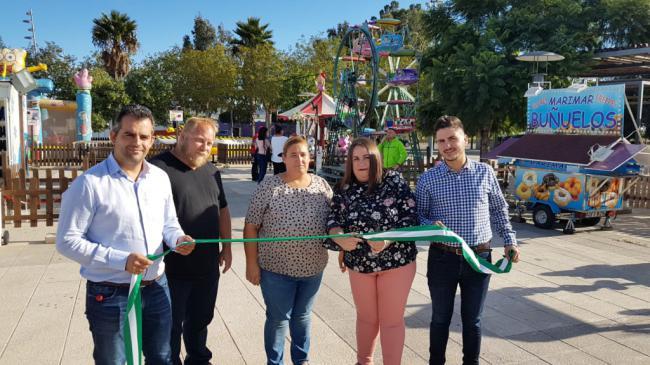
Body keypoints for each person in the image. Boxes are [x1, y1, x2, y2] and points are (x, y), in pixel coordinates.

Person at [56, 104, 195, 364]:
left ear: (153, 139)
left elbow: (169, 222)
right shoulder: (89, 184)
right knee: (115, 361)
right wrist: (121, 260)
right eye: (129, 134)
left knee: (163, 357)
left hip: (156, 288)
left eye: (144, 136)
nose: (137, 142)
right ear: (113, 136)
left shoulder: (160, 178)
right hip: (110, 294)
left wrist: (178, 239)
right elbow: (67, 241)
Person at [415, 116, 521, 365]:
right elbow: (417, 215)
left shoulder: (484, 172)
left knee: (473, 320)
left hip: (480, 258)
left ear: (465, 138)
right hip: (442, 259)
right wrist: (428, 225)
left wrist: (509, 241)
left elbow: (498, 209)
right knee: (440, 318)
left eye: (452, 138)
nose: (447, 145)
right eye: (441, 141)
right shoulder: (428, 179)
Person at [324, 137, 418, 365]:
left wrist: (388, 239)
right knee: (366, 318)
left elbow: (411, 217)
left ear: (376, 158)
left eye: (366, 157)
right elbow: (332, 219)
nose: (360, 162)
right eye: (355, 158)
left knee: (391, 320)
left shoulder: (394, 180)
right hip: (360, 264)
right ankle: (363, 362)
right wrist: (338, 236)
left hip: (397, 262)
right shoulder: (344, 187)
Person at [149, 117, 232, 365]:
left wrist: (226, 247)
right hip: (170, 270)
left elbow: (223, 210)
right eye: (200, 140)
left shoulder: (211, 170)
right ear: (182, 136)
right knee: (169, 327)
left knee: (200, 320)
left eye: (209, 143)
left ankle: (198, 360)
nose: (205, 147)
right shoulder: (157, 169)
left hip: (206, 267)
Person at [244, 136, 333, 365]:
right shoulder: (269, 186)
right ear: (283, 158)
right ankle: (275, 362)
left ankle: (301, 360)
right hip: (276, 270)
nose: (299, 159)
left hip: (312, 269)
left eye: (303, 154)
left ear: (310, 158)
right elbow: (251, 226)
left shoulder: (321, 185)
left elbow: (336, 222)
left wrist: (344, 249)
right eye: (293, 154)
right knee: (278, 319)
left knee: (303, 317)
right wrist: (251, 263)